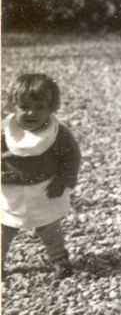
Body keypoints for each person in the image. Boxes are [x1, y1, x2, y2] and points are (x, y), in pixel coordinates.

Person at [1, 74, 80, 278]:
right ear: (12, 106)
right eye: (24, 107)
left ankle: (59, 260)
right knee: (4, 230)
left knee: (49, 227)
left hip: (44, 189)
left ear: (51, 108)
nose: (31, 113)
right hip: (10, 192)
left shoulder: (58, 134)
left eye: (39, 107)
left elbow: (71, 158)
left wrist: (63, 181)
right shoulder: (5, 133)